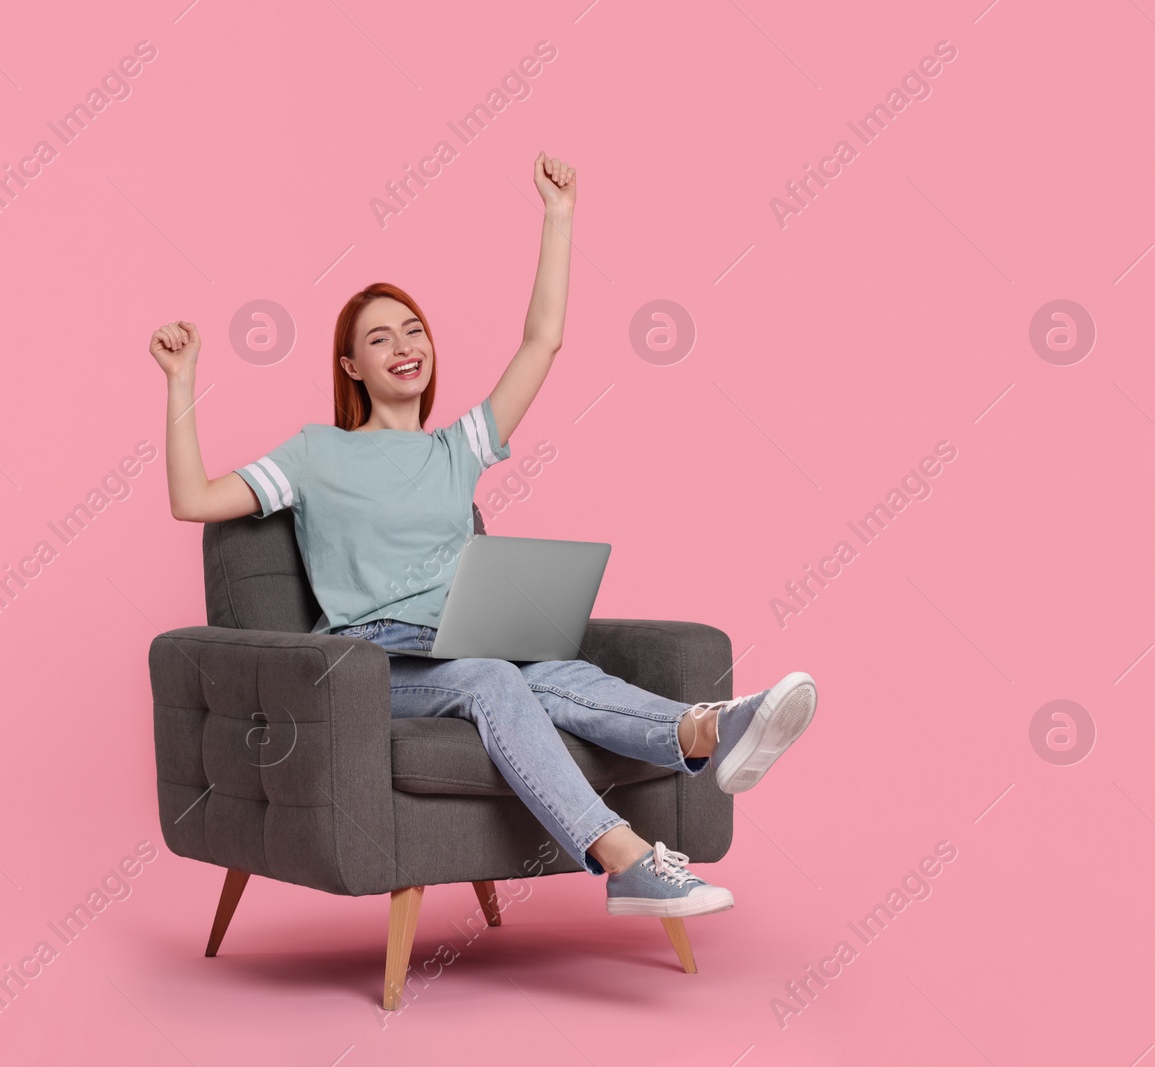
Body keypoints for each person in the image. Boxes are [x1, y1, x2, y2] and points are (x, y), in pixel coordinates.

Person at [149, 151, 817, 919]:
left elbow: (542, 344)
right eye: (379, 338)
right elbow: (192, 499)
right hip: (371, 663)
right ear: (351, 365)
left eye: (413, 330)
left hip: (466, 640)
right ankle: (625, 857)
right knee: (492, 677)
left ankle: (708, 729)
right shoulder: (314, 452)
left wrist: (559, 219)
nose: (404, 345)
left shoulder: (454, 449)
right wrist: (180, 382)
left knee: (555, 672)